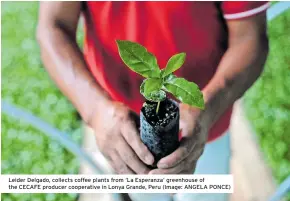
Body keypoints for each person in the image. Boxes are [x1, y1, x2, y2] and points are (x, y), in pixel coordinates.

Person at [37, 1, 269, 201]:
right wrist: (97, 112)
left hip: (208, 119)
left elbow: (250, 37)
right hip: (119, 129)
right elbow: (53, 25)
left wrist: (208, 109)